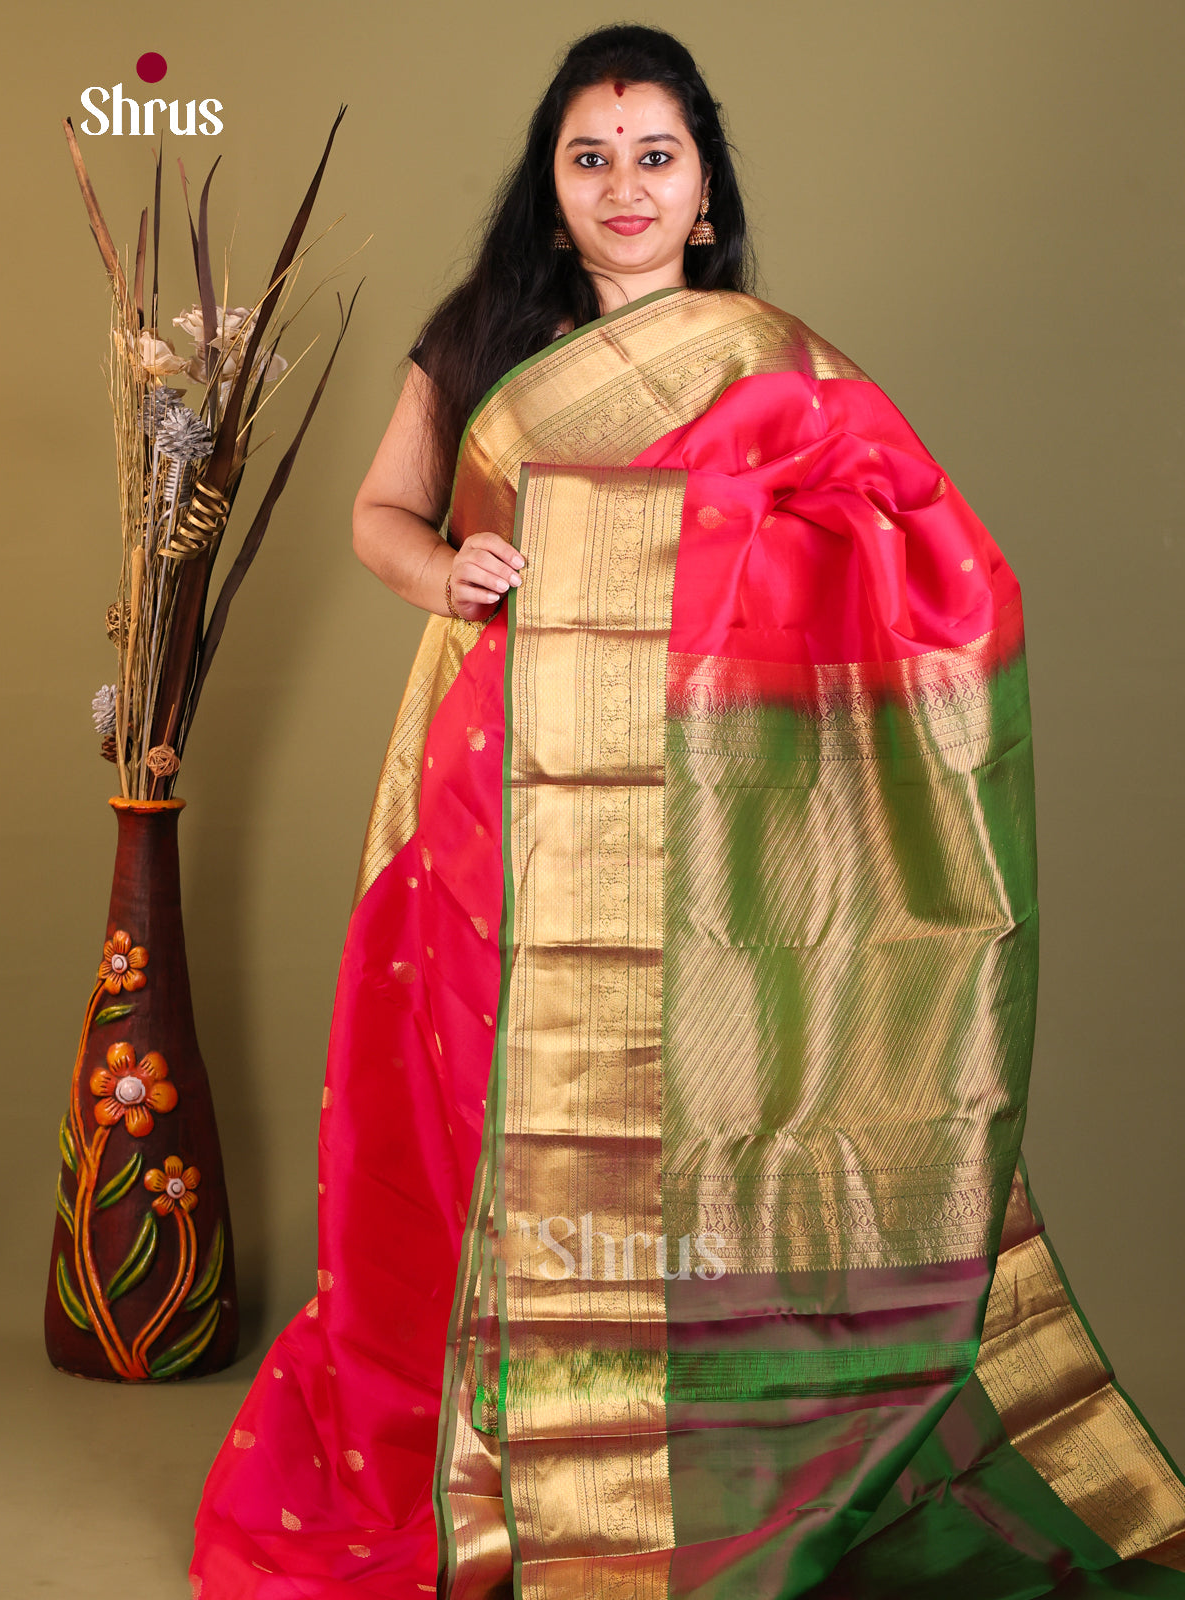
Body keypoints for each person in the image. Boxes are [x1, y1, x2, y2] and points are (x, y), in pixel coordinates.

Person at [191, 24, 1185, 1598]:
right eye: (590, 158)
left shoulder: (765, 364)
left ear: (704, 188)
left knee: (684, 1131)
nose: (625, 186)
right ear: (552, 190)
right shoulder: (478, 343)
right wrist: (446, 568)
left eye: (655, 156)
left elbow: (901, 546)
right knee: (500, 1117)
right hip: (499, 794)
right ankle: (518, 1461)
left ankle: (667, 1465)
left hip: (705, 824)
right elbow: (381, 514)